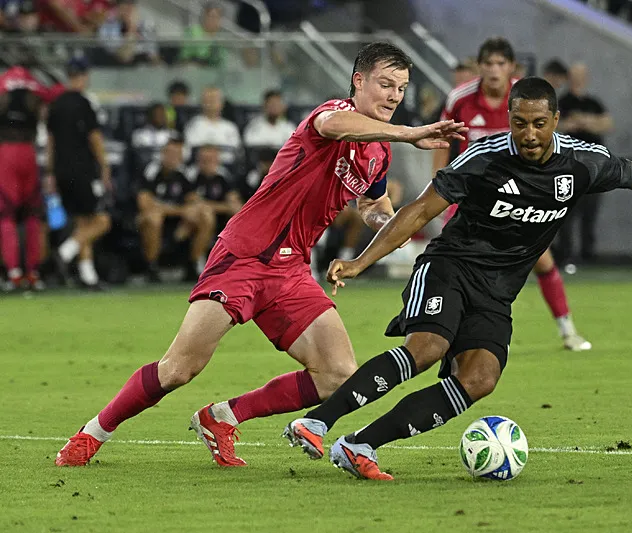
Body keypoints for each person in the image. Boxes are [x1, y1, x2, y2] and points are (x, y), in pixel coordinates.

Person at [285, 76, 632, 480]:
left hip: (498, 290)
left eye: (539, 123)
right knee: (427, 348)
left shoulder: (582, 162)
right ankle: (318, 422)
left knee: (480, 378)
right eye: (520, 123)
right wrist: (362, 261)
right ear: (509, 119)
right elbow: (421, 209)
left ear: (556, 120)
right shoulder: (483, 158)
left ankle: (360, 445)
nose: (529, 134)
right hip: (450, 267)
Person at [54, 41, 467, 468]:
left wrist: (386, 227)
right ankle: (91, 434)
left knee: (337, 374)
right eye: (385, 84)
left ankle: (222, 417)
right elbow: (335, 126)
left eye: (401, 88)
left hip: (291, 269)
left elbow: (372, 204)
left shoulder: (379, 152)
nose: (395, 96)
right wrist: (409, 133)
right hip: (245, 254)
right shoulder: (332, 114)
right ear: (358, 81)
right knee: (179, 369)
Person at [434, 37, 591, 351]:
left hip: (518, 198)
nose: (494, 70)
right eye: (488, 63)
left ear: (511, 67)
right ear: (479, 66)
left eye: (500, 63)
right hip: (472, 200)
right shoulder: (460, 99)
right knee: (458, 266)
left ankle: (568, 330)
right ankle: (454, 333)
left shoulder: (526, 98)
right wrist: (439, 189)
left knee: (543, 261)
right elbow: (443, 143)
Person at [46, 58, 112, 289]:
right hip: (83, 171)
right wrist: (104, 166)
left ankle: (88, 275)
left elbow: (50, 142)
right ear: (84, 76)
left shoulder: (55, 104)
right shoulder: (84, 103)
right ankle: (64, 252)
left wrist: (50, 173)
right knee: (102, 221)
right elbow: (95, 137)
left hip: (61, 172)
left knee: (83, 223)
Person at [0, 65, 60, 291]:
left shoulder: (3, 86)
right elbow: (57, 90)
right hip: (29, 153)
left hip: (5, 153)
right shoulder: (34, 88)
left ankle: (14, 273)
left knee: (6, 215)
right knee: (32, 216)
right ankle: (33, 273)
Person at [136, 134, 213, 283]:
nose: (173, 158)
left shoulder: (184, 174)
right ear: (162, 153)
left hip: (178, 223)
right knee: (154, 218)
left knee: (205, 215)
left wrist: (189, 212)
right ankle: (151, 267)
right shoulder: (151, 171)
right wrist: (181, 211)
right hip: (150, 221)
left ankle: (194, 265)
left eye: (177, 154)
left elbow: (195, 201)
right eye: (169, 153)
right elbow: (145, 205)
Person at [557, 62, 614, 264]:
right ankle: (566, 254)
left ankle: (588, 253)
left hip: (593, 166)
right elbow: (556, 125)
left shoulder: (593, 103)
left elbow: (607, 124)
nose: (578, 79)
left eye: (581, 75)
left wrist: (584, 121)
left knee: (590, 211)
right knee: (567, 210)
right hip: (568, 165)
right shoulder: (562, 102)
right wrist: (574, 123)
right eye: (575, 75)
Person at [188, 144, 243, 234]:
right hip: (198, 219)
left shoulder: (223, 175)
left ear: (218, 160)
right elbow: (194, 202)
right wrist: (225, 207)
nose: (208, 163)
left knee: (238, 211)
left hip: (221, 215)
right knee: (206, 215)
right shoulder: (191, 175)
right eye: (204, 160)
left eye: (211, 159)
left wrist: (226, 206)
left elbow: (234, 202)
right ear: (198, 160)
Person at [183, 86, 242, 167]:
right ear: (202, 102)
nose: (211, 103)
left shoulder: (231, 127)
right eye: (208, 99)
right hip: (199, 167)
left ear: (222, 103)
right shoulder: (193, 125)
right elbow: (190, 151)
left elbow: (236, 152)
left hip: (227, 167)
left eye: (214, 99)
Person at [179, 1, 226, 68]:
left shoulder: (222, 38)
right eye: (212, 16)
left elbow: (222, 61)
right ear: (204, 17)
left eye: (218, 17)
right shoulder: (193, 31)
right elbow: (186, 56)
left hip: (213, 69)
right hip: (192, 66)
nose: (214, 20)